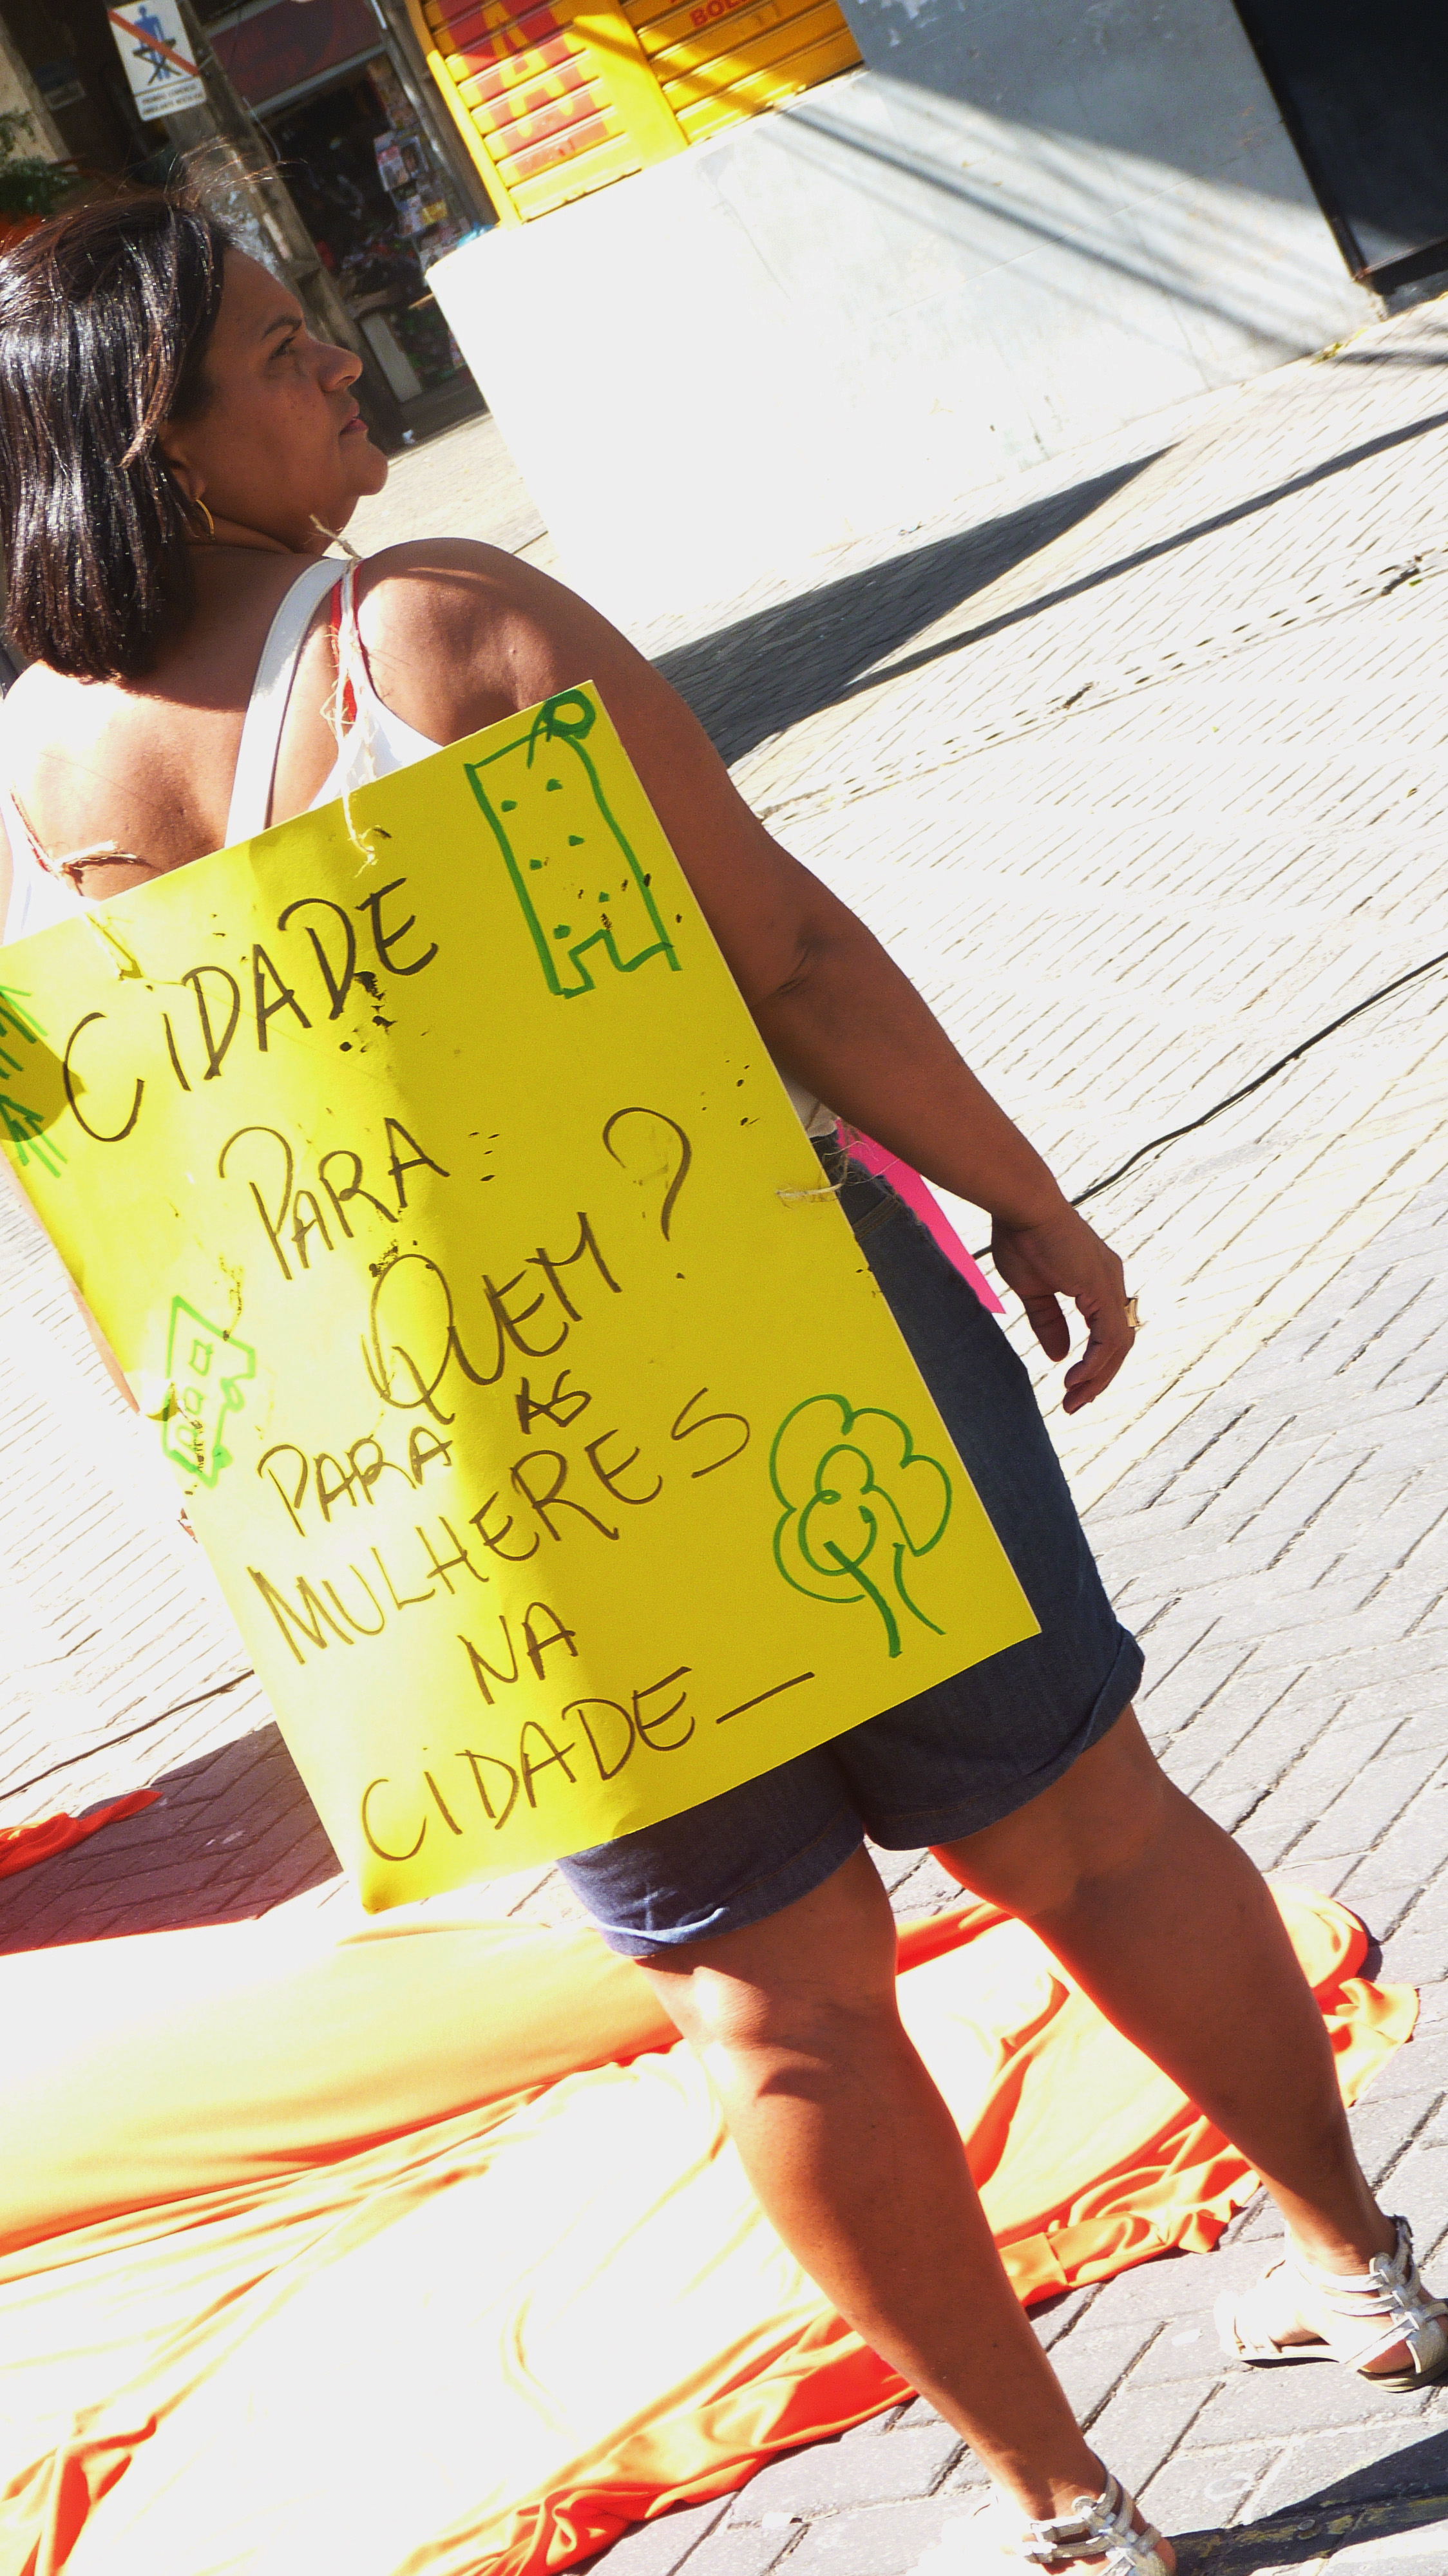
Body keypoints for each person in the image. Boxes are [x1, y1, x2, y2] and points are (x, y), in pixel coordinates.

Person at [0, 195, 1441, 2576]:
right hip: (785, 1339)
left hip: (475, 1487)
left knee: (773, 2020)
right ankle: (1363, 2281)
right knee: (1082, 1836)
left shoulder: (49, 761)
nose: (352, 363)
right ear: (162, 436)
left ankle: (1071, 2514)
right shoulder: (439, 631)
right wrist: (1026, 1198)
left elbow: (167, 1190)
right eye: (288, 346)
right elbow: (778, 952)